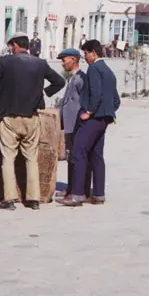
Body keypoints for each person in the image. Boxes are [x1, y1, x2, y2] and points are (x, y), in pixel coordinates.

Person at [0, 30, 66, 210]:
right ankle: (34, 199)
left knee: (8, 158)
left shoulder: (6, 62)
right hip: (32, 117)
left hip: (10, 117)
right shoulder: (40, 63)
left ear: (14, 45)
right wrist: (43, 94)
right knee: (31, 158)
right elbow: (59, 81)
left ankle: (9, 199)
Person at [61, 40, 120, 207]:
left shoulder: (94, 68)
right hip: (105, 118)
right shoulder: (108, 70)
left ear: (93, 53)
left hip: (94, 118)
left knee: (78, 151)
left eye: (86, 53)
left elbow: (96, 93)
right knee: (96, 155)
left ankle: (77, 194)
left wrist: (90, 112)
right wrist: (108, 111)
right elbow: (116, 99)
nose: (85, 57)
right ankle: (98, 195)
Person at [55, 48, 89, 202]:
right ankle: (70, 188)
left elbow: (84, 102)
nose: (62, 63)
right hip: (69, 124)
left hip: (76, 123)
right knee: (70, 156)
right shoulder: (72, 77)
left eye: (64, 60)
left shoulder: (80, 78)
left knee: (76, 157)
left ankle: (77, 190)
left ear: (74, 60)